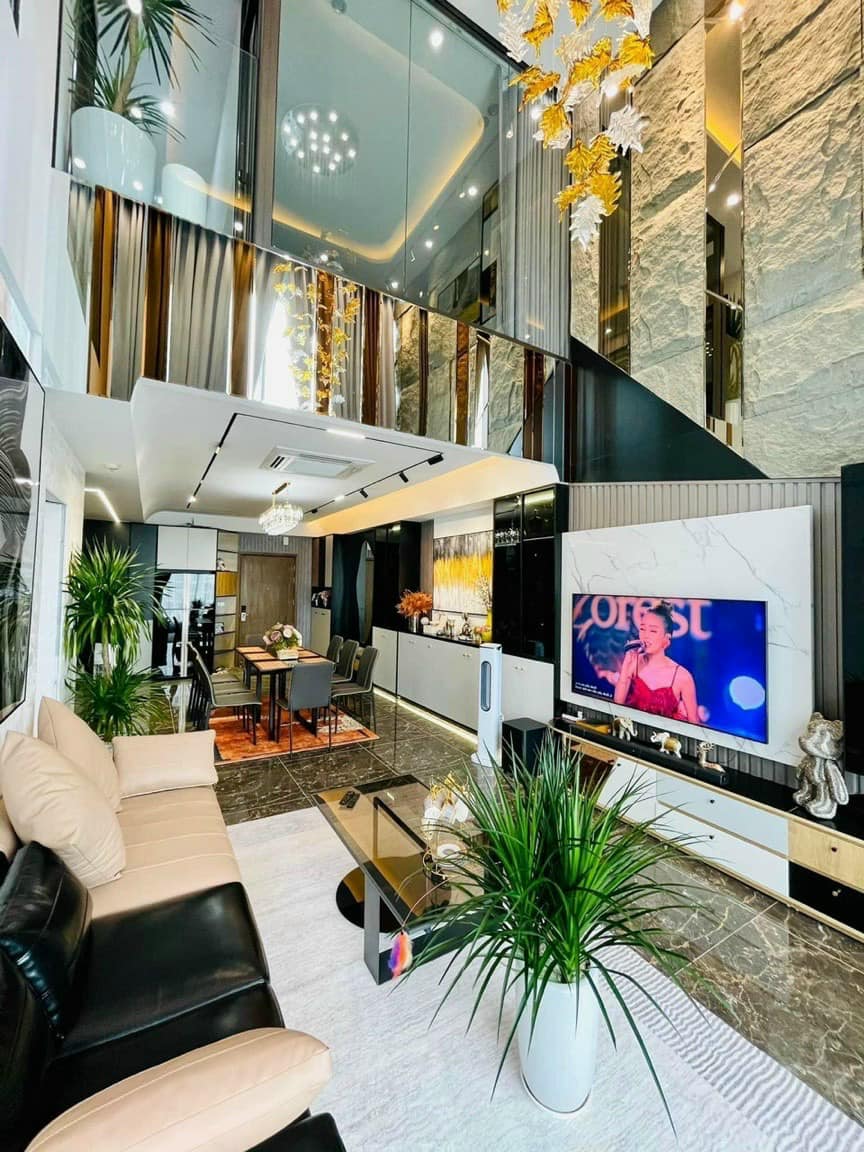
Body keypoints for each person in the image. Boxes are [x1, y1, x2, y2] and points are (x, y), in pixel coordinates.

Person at [613, 601, 699, 724]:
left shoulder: (683, 676)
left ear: (666, 638)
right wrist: (625, 669)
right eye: (642, 629)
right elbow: (617, 706)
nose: (645, 636)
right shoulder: (633, 662)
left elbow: (694, 723)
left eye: (653, 631)